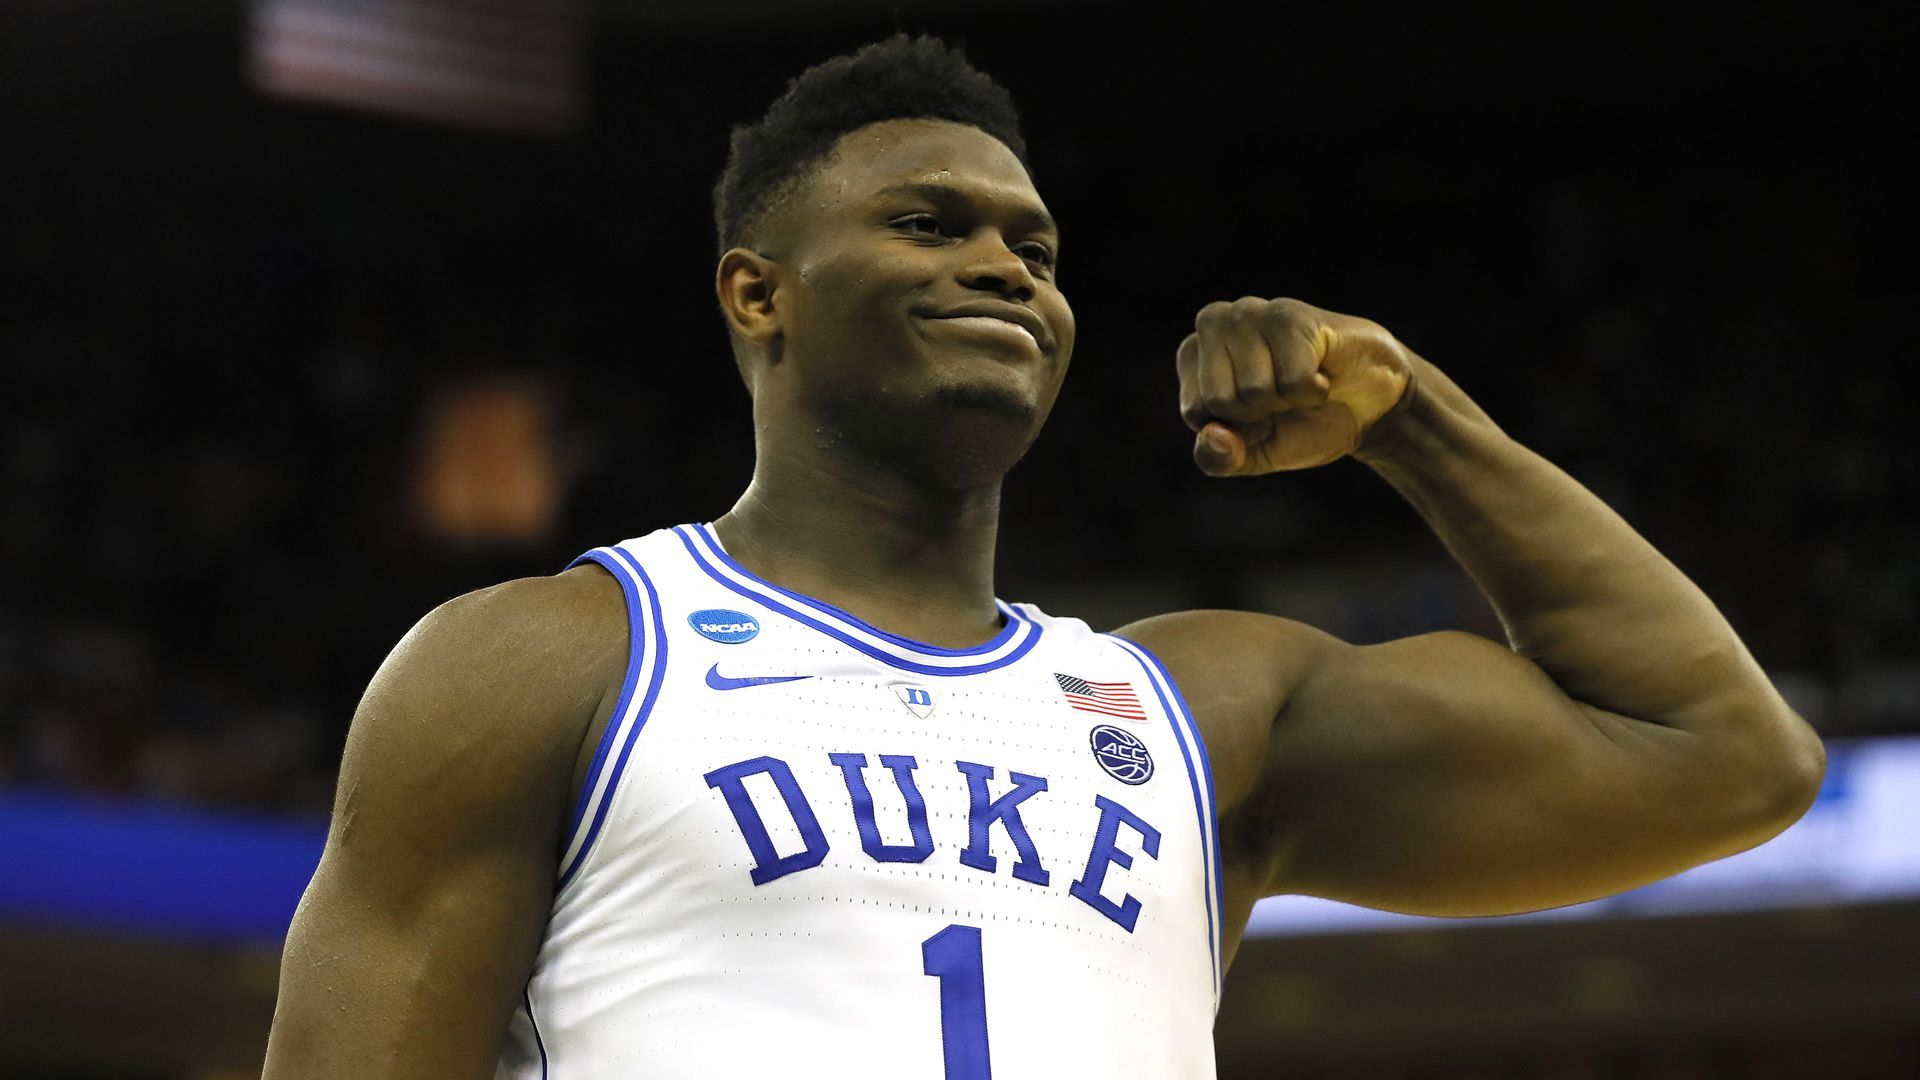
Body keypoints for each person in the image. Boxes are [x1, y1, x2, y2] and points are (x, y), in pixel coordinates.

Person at [260, 34, 1825, 1079]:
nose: (1003, 266)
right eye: (933, 223)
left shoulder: (1193, 712)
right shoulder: (548, 658)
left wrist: (1413, 419)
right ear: (760, 294)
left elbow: (1718, 758)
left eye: (1037, 247)